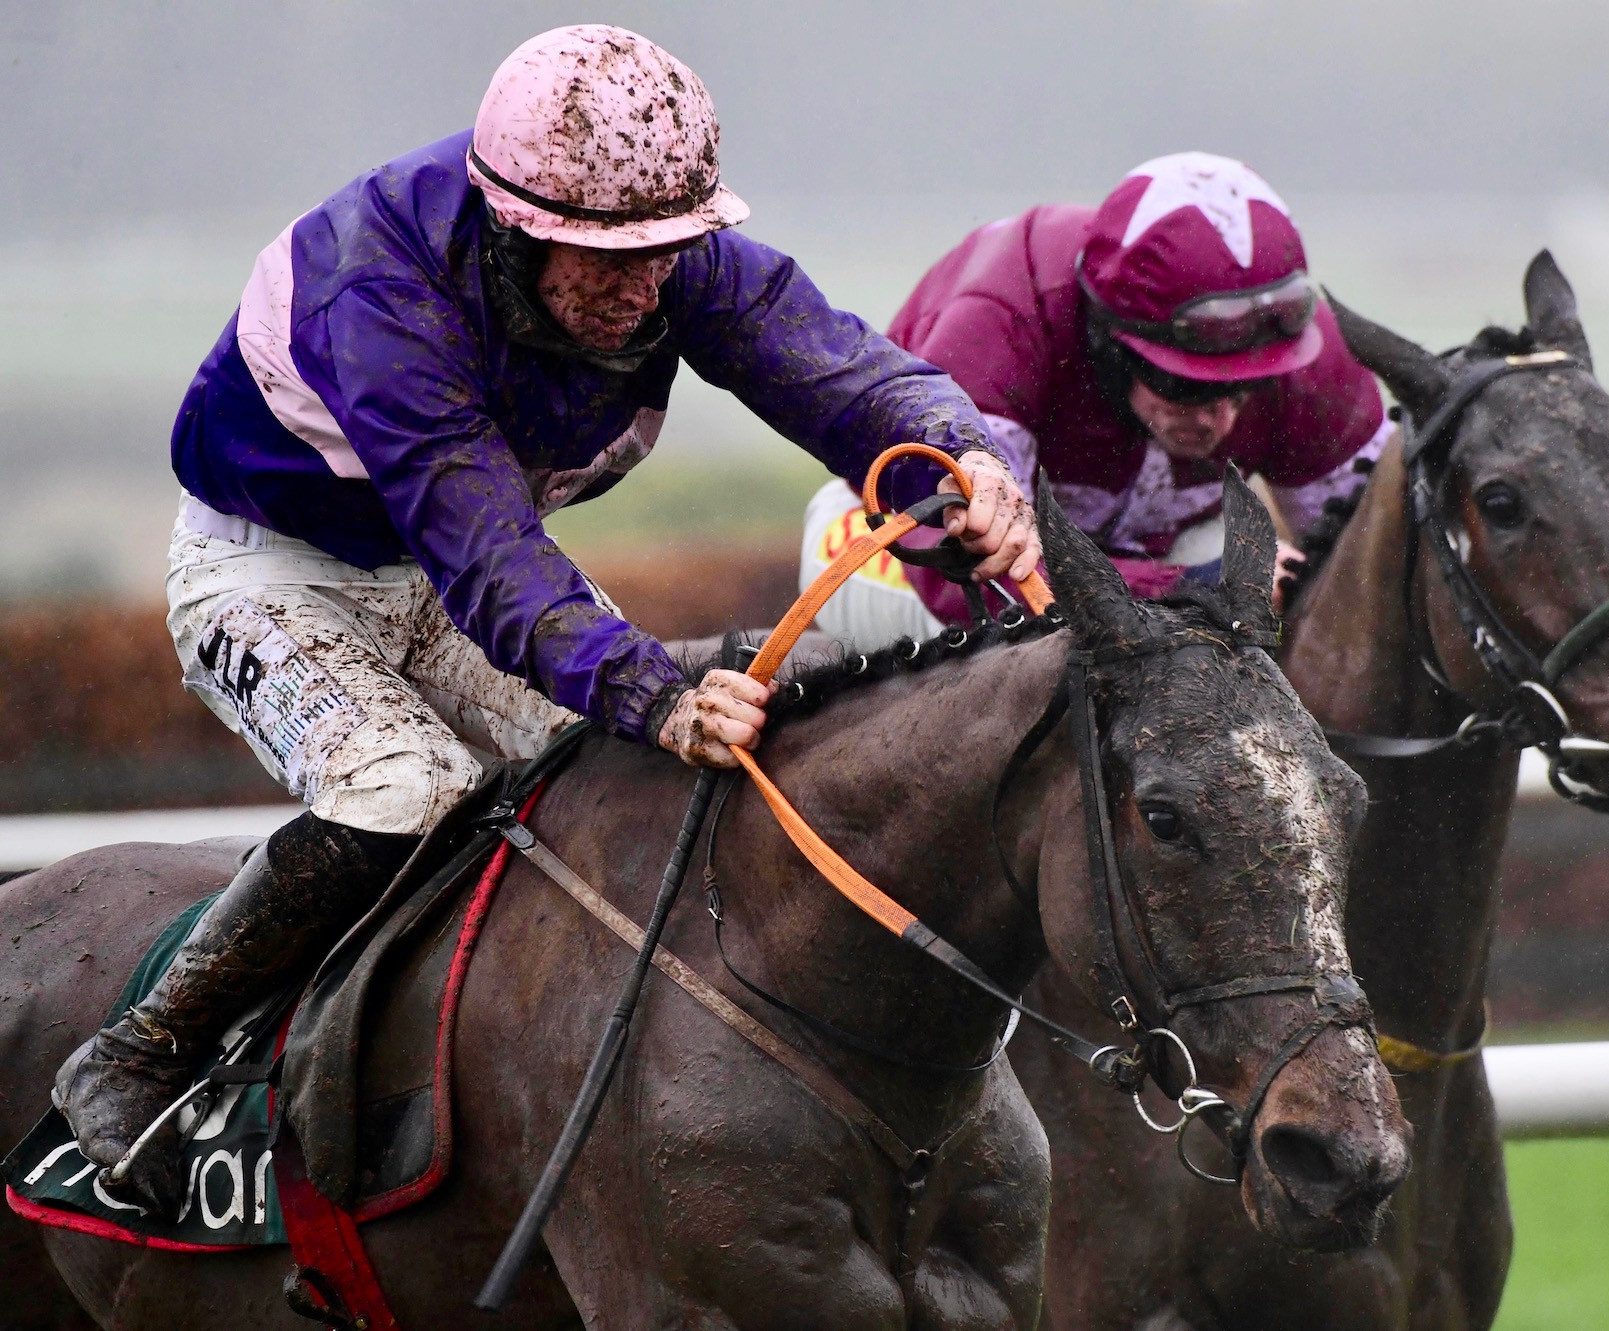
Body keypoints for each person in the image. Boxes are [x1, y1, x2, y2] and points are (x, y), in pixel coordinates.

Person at [54, 24, 1037, 1204]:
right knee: (408, 789)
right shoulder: (384, 290)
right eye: (608, 262)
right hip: (270, 574)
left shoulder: (669, 256)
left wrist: (967, 459)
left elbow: (838, 369)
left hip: (443, 574)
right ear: (518, 228)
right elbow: (491, 558)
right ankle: (138, 1048)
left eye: (668, 253)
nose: (642, 288)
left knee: (618, 786)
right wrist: (656, 690)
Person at [800, 152, 1388, 648]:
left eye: (1246, 384)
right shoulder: (1002, 321)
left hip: (1160, 548)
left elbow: (1372, 565)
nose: (1220, 415)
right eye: (1187, 384)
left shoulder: (1305, 355)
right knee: (1031, 662)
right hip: (907, 543)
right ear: (1110, 338)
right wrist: (1194, 586)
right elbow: (980, 573)